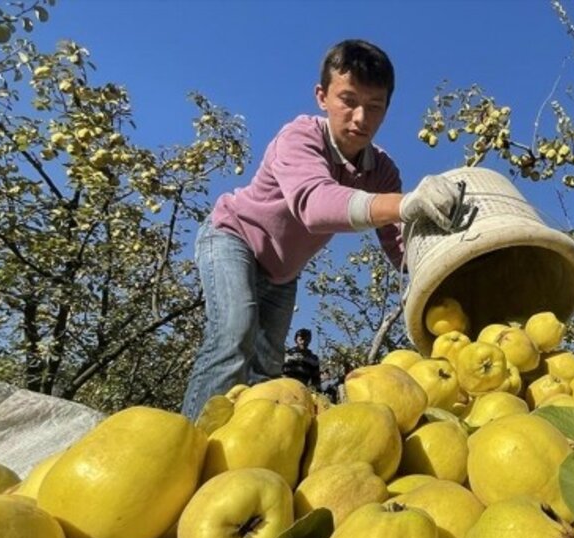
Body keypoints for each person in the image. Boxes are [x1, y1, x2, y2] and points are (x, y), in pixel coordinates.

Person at [180, 39, 462, 420]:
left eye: (374, 107)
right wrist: (405, 203)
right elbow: (314, 204)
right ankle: (193, 438)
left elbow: (399, 249)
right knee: (234, 336)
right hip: (234, 238)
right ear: (322, 96)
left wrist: (450, 267)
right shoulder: (299, 138)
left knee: (267, 370)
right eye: (348, 100)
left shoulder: (381, 172)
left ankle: (243, 454)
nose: (361, 118)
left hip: (283, 272)